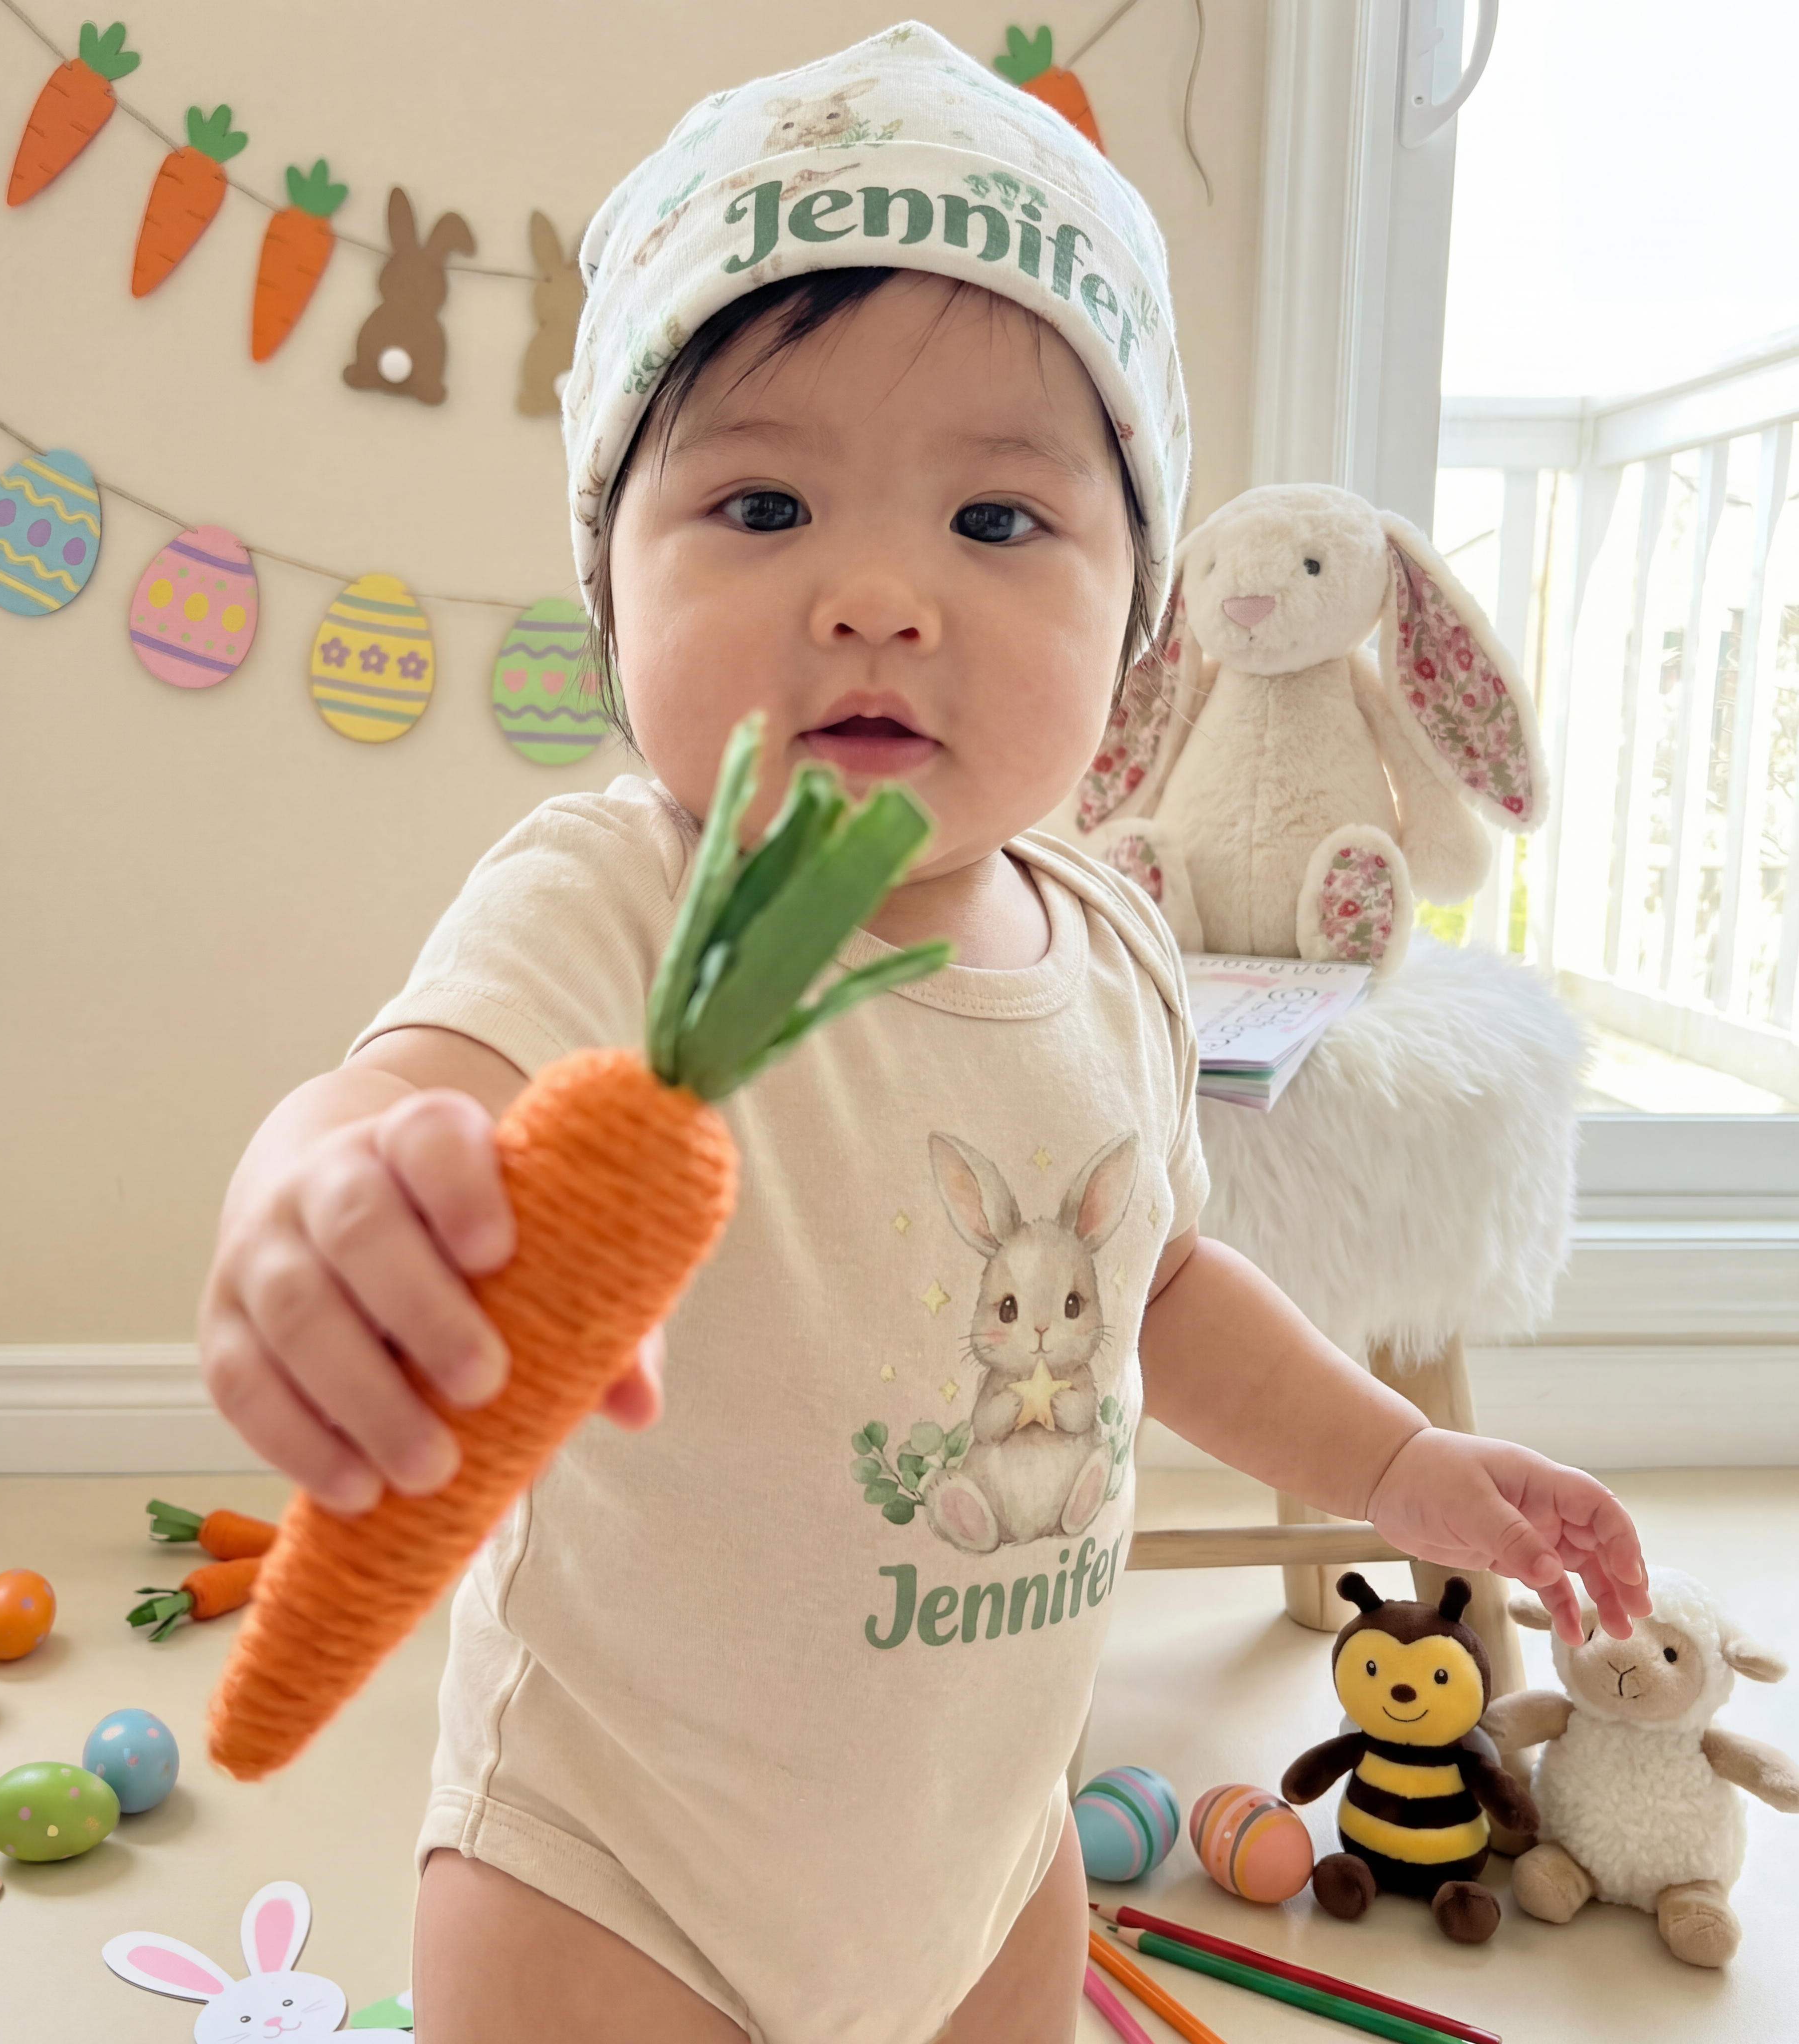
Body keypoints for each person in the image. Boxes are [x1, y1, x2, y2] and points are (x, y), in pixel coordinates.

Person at [197, 26, 1650, 2044]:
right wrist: (325, 1193)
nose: (877, 595)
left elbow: (1156, 1283)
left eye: (997, 524)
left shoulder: (1117, 953)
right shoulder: (609, 900)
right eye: (764, 500)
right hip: (612, 1866)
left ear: (1140, 617)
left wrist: (1393, 1458)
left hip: (980, 1854)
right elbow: (406, 1091)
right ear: (605, 586)